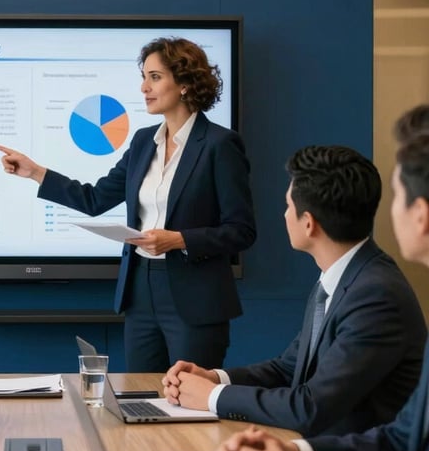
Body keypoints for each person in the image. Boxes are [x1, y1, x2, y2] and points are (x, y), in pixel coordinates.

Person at [214, 106, 429, 451]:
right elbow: (398, 438)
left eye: (397, 196)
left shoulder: (377, 292)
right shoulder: (340, 279)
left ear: (420, 215)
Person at [0, 37, 256, 371]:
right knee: (140, 400)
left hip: (195, 297)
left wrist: (178, 239)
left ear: (186, 83)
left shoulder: (220, 144)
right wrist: (36, 173)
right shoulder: (144, 141)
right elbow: (96, 198)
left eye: (155, 77)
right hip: (140, 292)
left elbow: (242, 231)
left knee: (191, 404)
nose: (144, 87)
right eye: (144, 77)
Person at [162, 145, 426, 435]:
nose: (284, 215)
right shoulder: (341, 279)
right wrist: (215, 378)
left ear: (309, 223)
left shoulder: (376, 296)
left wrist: (210, 397)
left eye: (288, 206)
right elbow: (288, 370)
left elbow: (310, 407)